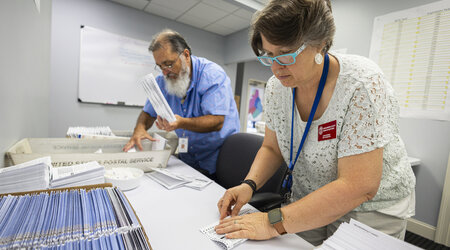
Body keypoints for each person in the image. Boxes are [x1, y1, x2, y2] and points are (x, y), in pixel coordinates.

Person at [215, 0, 416, 245]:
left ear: (321, 44)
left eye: (286, 55)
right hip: (308, 197)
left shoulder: (361, 83)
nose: (276, 68)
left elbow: (359, 186)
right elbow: (271, 147)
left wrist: (271, 222)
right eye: (269, 55)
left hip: (370, 207)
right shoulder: (276, 88)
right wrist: (249, 184)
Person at [123, 29, 240, 180]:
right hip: (188, 158)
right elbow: (147, 113)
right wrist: (139, 129)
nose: (165, 72)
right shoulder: (162, 81)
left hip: (219, 159)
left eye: (169, 64)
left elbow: (216, 121)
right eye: (160, 66)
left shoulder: (212, 75)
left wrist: (181, 123)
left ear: (185, 55)